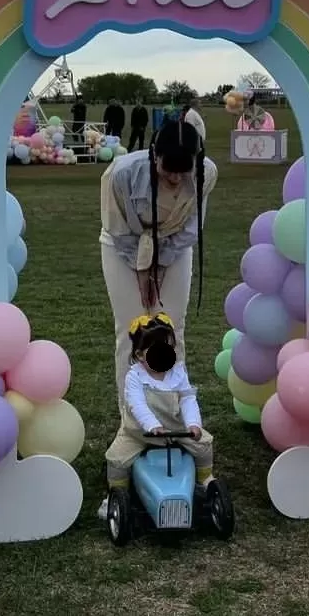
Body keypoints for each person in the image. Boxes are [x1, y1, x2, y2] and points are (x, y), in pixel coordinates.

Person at [100, 119, 217, 412]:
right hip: (123, 243)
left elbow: (191, 228)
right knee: (132, 329)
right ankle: (133, 418)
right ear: (154, 155)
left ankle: (170, 413)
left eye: (184, 170)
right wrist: (142, 272)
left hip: (175, 245)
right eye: (168, 170)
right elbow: (120, 229)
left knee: (171, 326)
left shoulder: (207, 173)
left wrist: (161, 265)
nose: (176, 178)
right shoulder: (121, 173)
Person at [105, 313, 214, 492]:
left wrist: (194, 424)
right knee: (116, 459)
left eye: (169, 347)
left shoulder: (178, 373)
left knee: (204, 445)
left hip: (175, 429)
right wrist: (152, 425)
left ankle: (205, 480)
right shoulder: (135, 376)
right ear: (140, 355)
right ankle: (116, 495)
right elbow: (137, 404)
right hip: (139, 432)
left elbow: (187, 399)